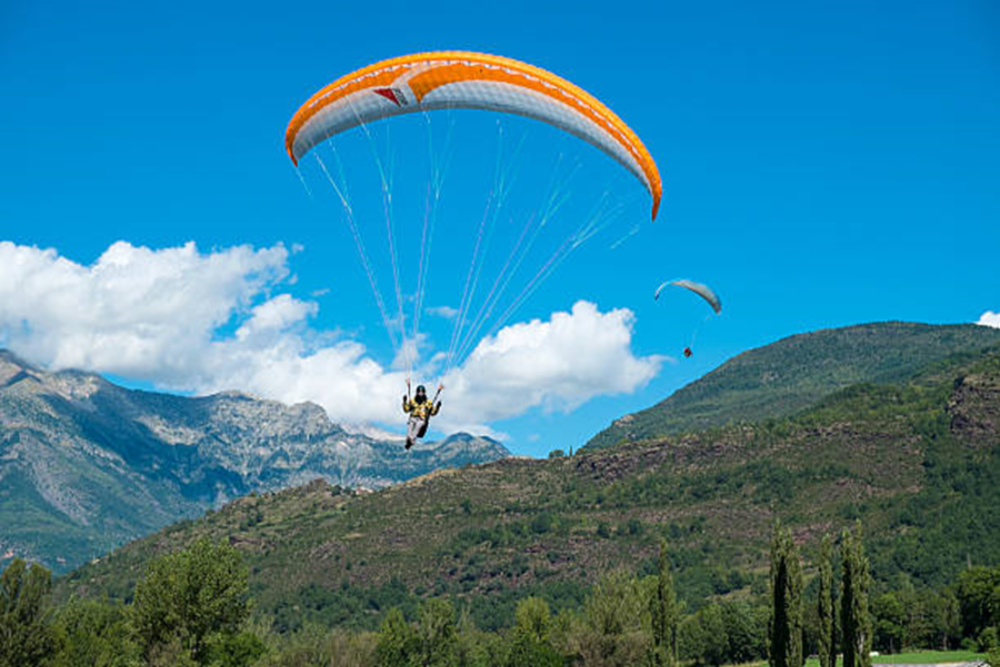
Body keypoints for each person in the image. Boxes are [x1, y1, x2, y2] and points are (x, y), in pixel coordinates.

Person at [402, 380, 443, 450]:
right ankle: (408, 441)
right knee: (409, 431)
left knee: (417, 427)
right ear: (417, 393)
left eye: (422, 392)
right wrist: (404, 402)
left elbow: (433, 413)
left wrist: (437, 407)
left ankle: (411, 440)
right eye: (419, 392)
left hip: (422, 419)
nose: (420, 393)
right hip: (412, 418)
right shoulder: (413, 401)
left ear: (424, 393)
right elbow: (406, 410)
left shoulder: (428, 403)